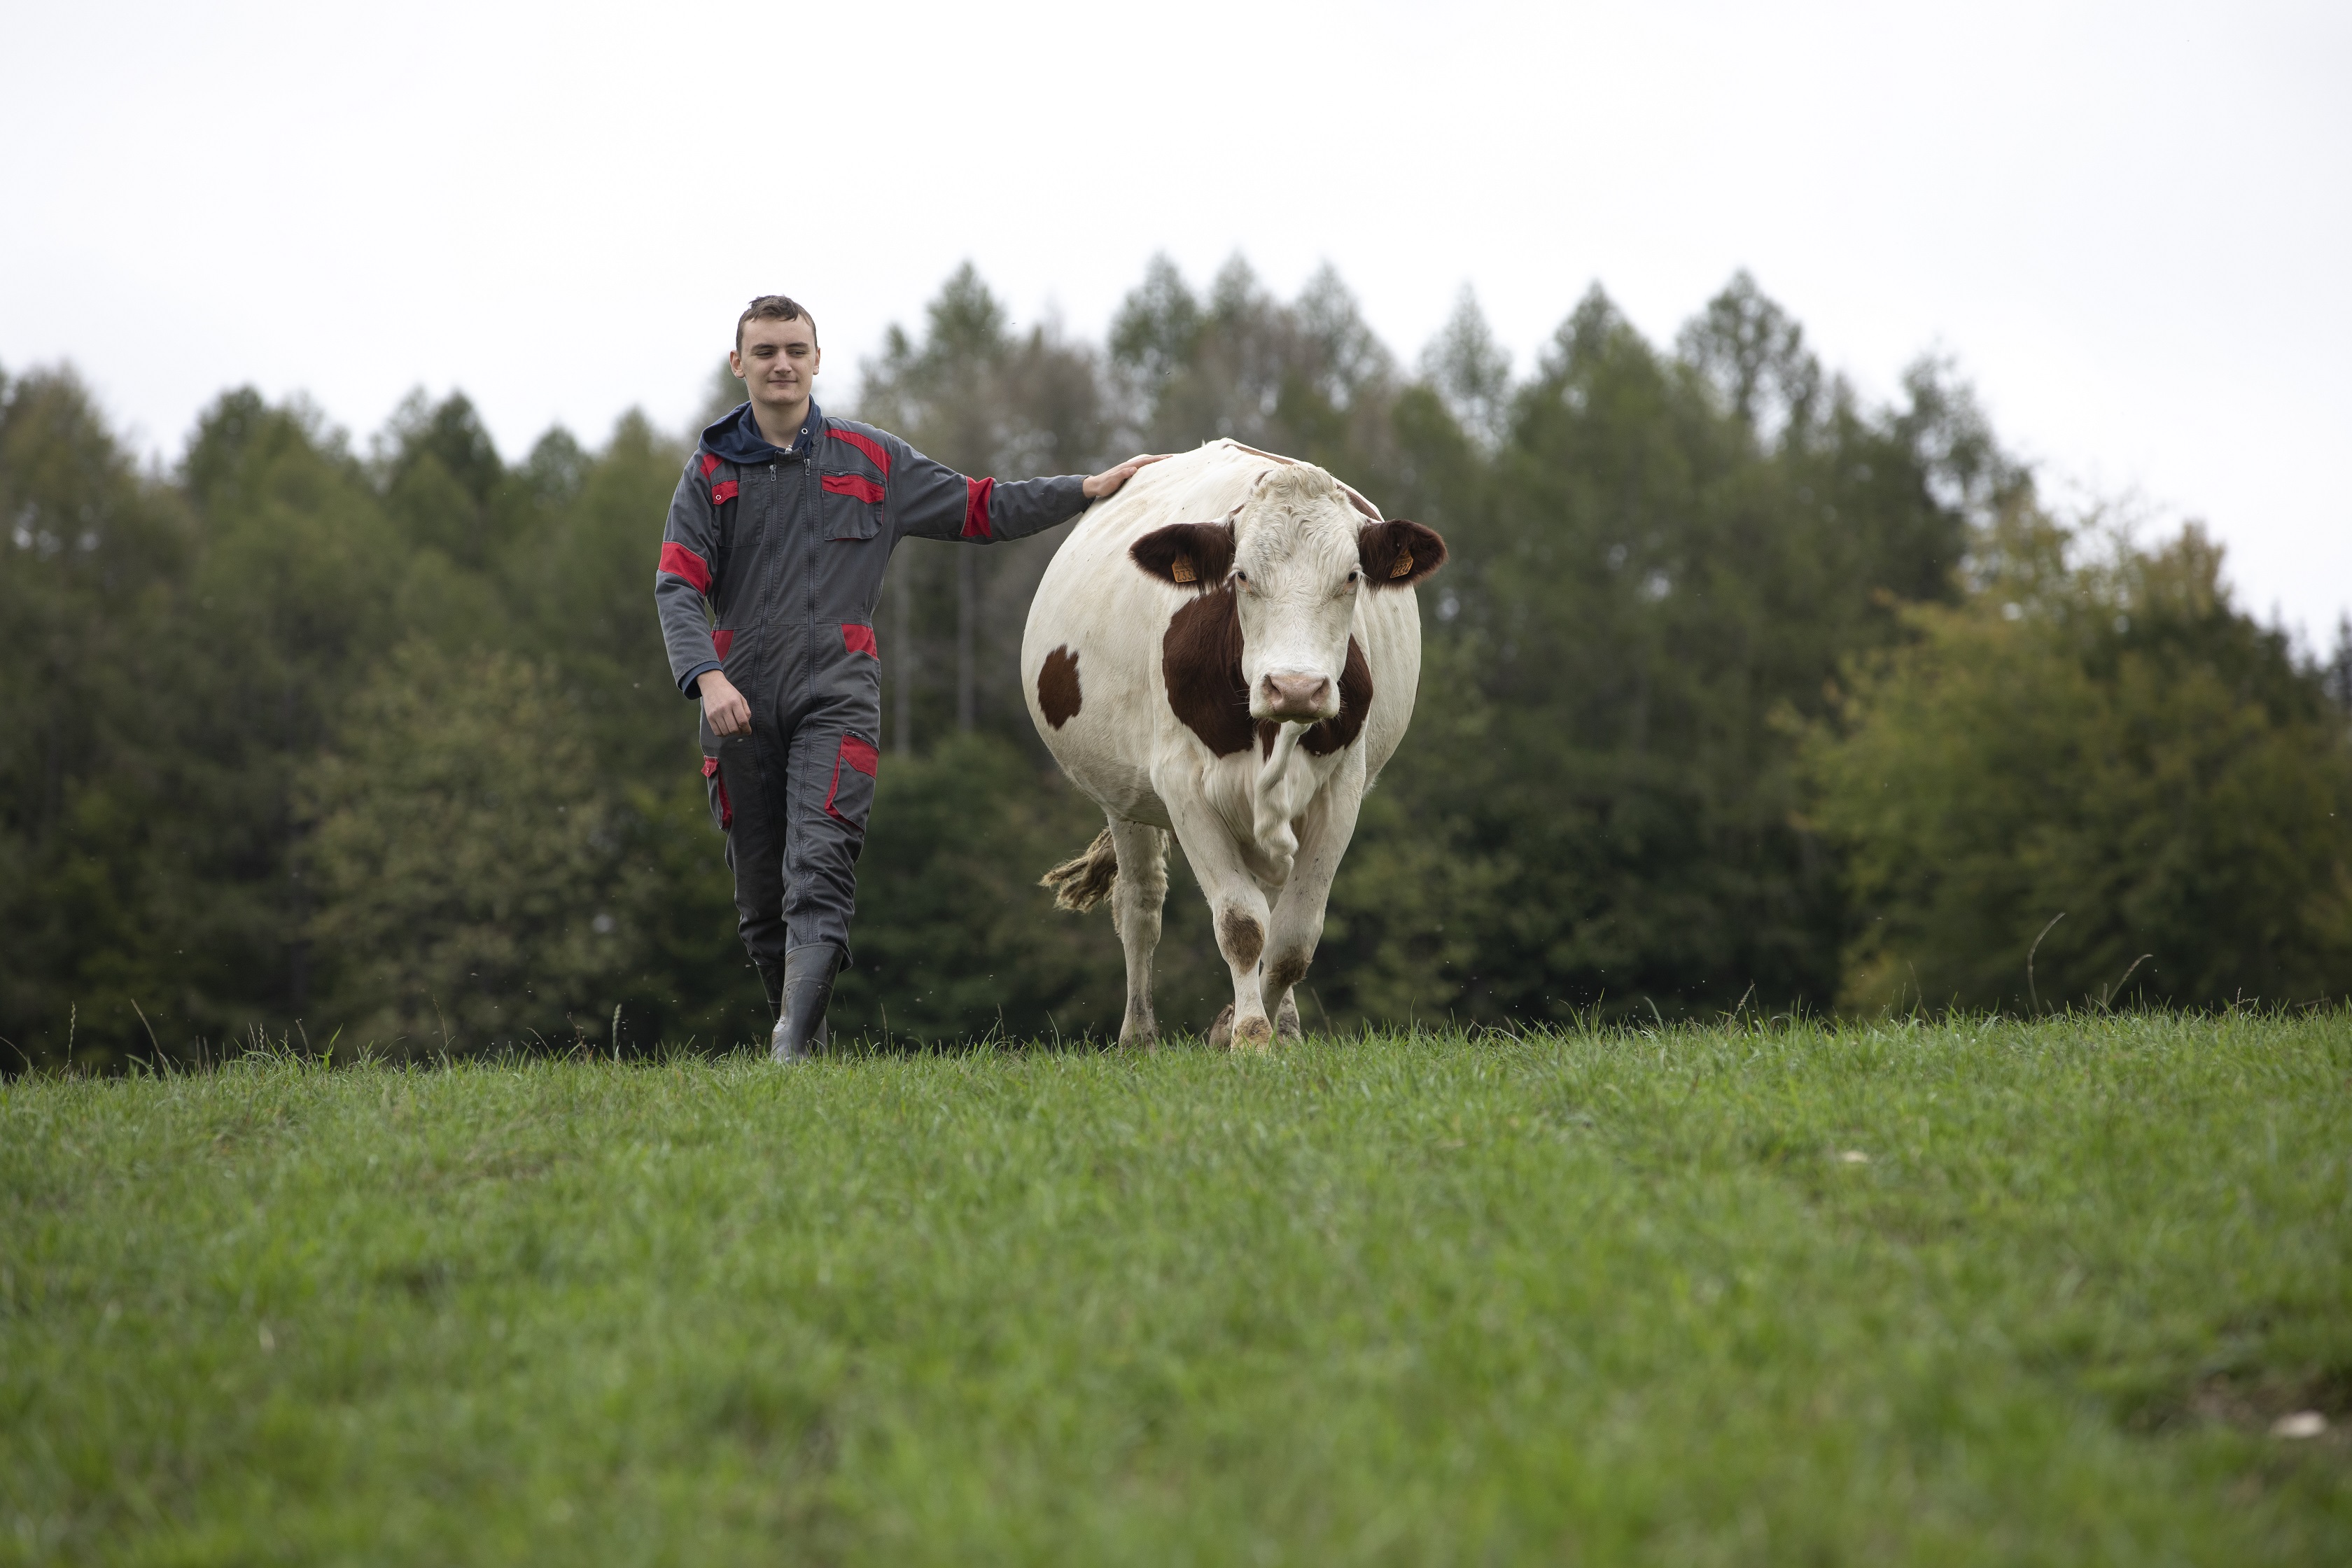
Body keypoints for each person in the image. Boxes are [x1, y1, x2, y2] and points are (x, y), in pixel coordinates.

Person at [655, 295, 1161, 1061]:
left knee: (819, 868)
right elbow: (676, 585)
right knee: (762, 902)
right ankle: (806, 1038)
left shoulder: (874, 460)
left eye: (796, 348)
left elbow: (982, 507)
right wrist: (708, 677)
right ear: (740, 365)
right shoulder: (712, 470)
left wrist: (1084, 489)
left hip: (838, 694)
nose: (782, 363)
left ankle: (788, 1052)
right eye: (765, 352)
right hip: (737, 700)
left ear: (818, 360)